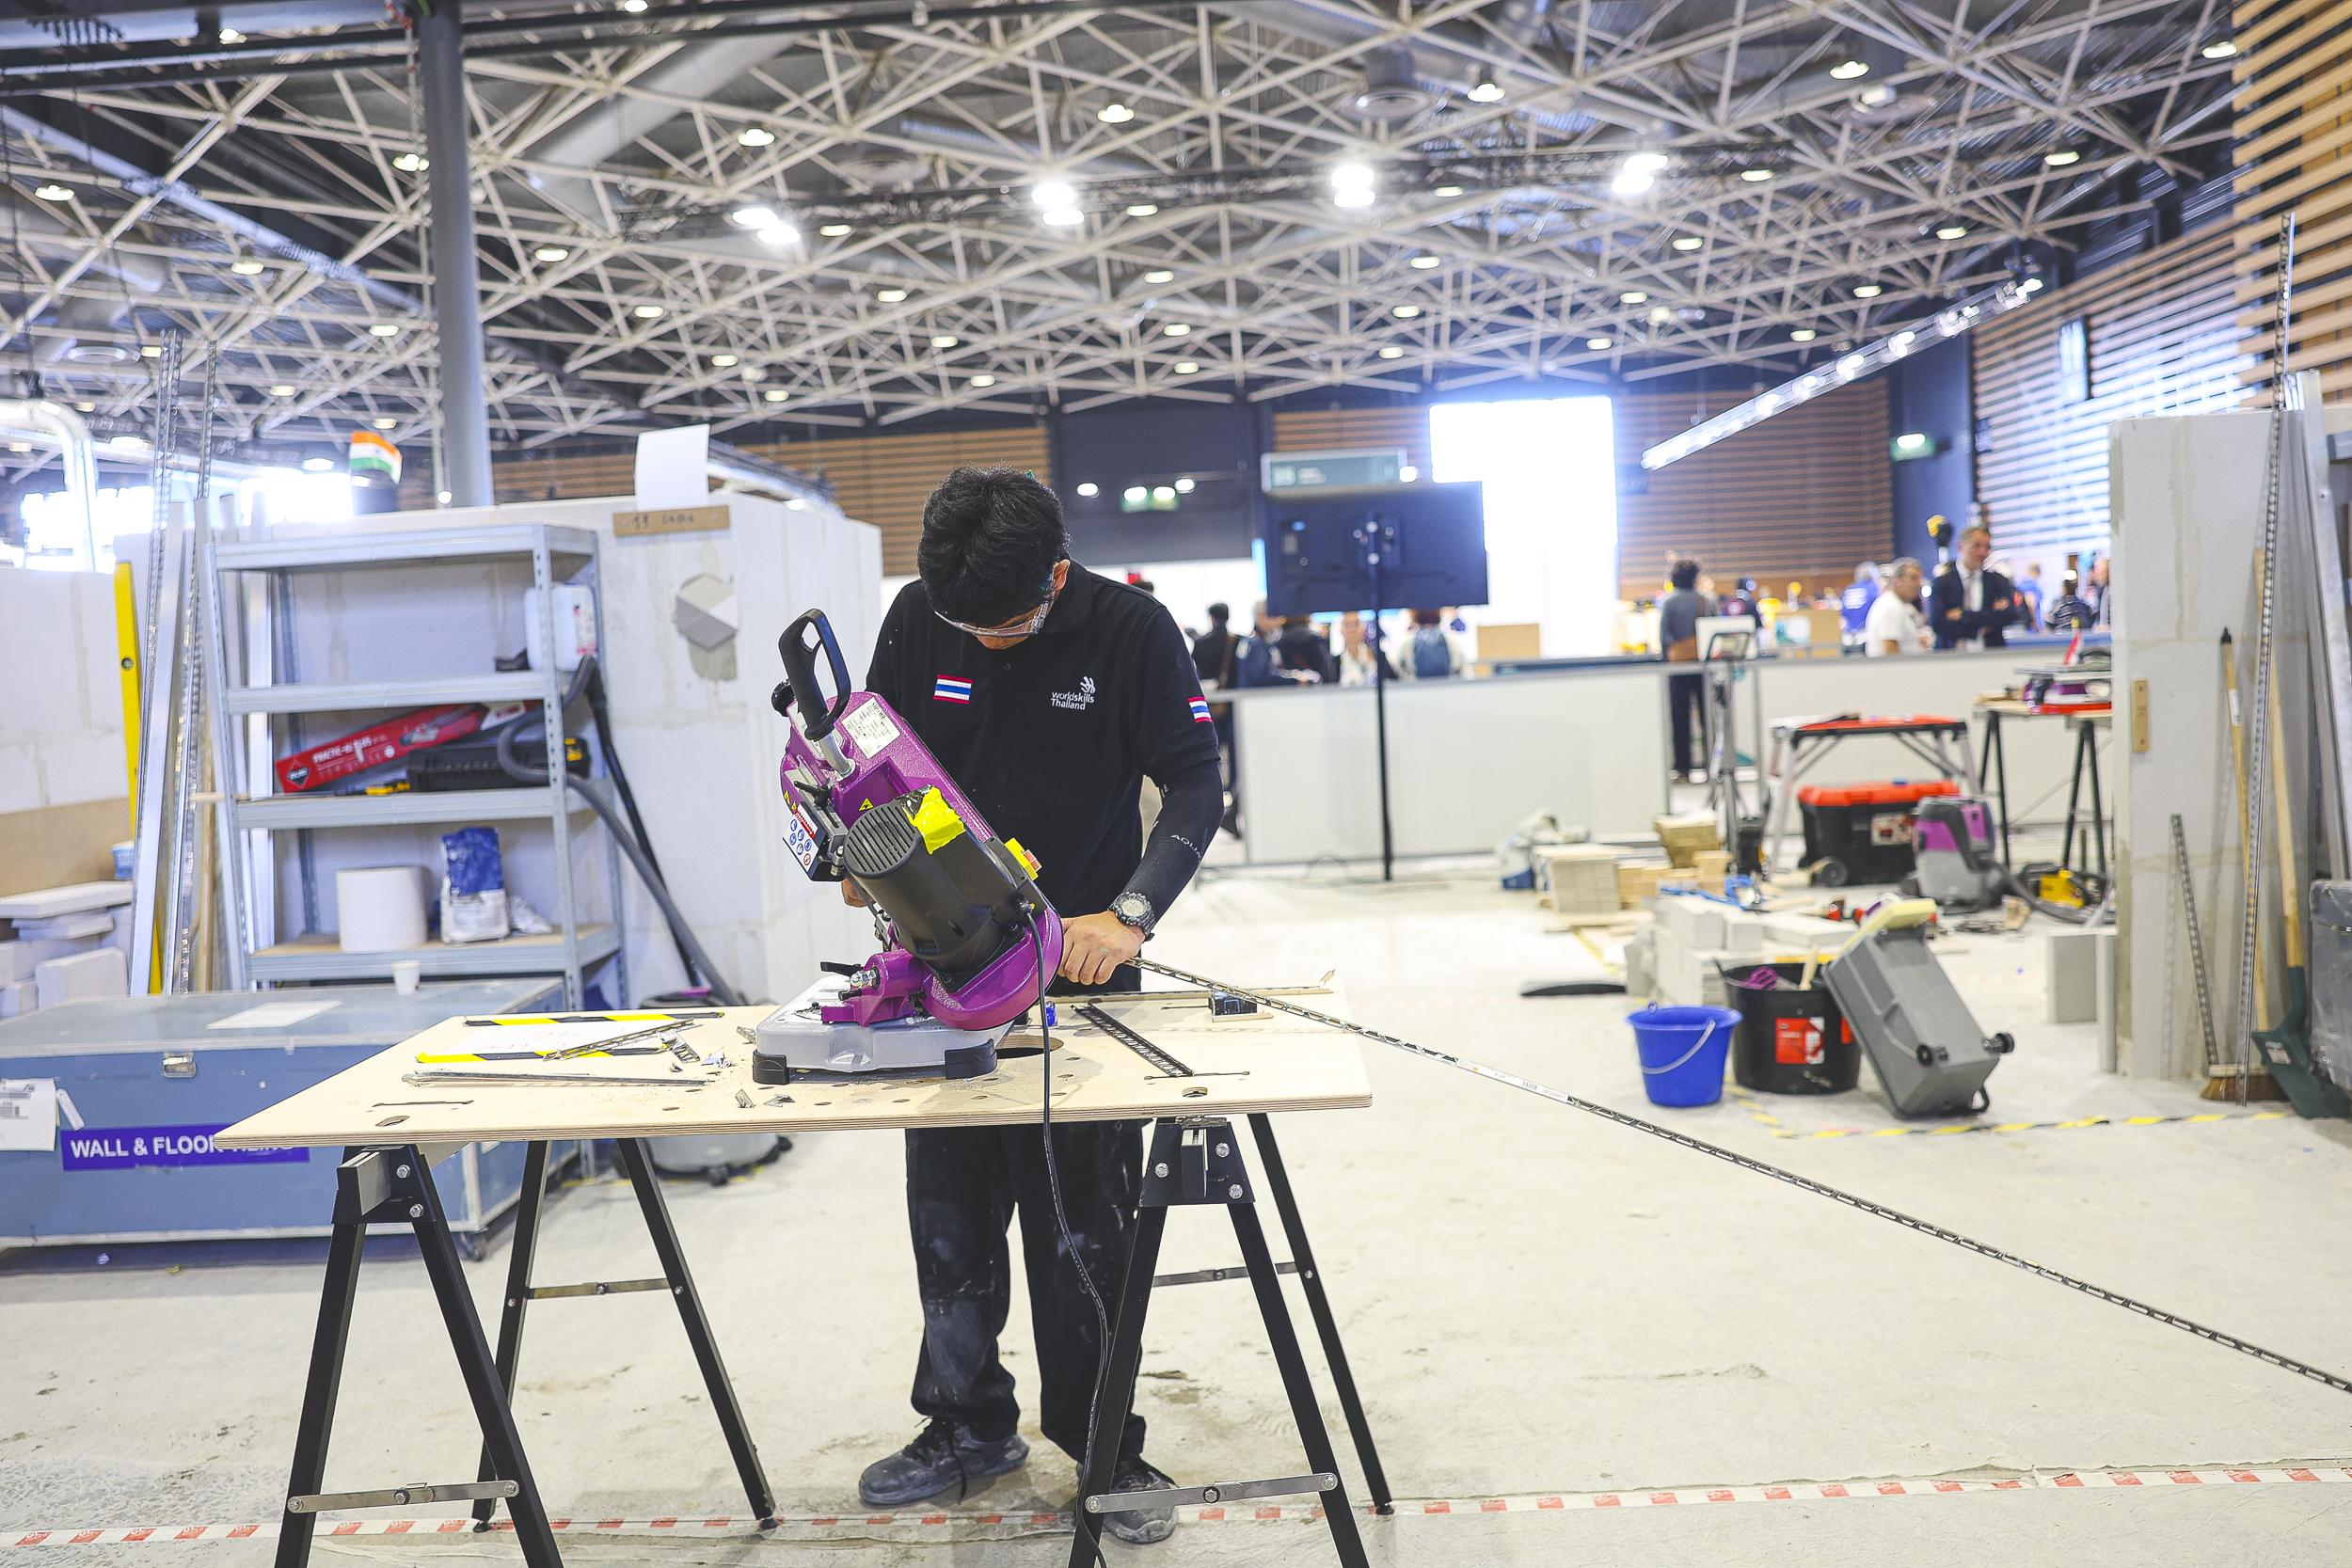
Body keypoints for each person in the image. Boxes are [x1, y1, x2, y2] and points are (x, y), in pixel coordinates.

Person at [853, 467, 1225, 1545]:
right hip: (944, 969)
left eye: (1005, 624)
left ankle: (1104, 1441)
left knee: (1082, 1233)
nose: (985, 641)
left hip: (1080, 969)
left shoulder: (1132, 632)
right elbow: (868, 758)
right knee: (950, 1217)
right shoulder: (923, 617)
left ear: (1057, 575)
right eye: (966, 624)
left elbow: (1197, 786)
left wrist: (1132, 914)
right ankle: (965, 1423)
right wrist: (858, 853)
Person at [1926, 525, 2020, 651]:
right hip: (1950, 655)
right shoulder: (1942, 583)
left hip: (1990, 654)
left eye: (1987, 547)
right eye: (1976, 546)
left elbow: (2008, 616)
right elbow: (1937, 623)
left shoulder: (1997, 581)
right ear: (1960, 546)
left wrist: (1965, 615)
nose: (1983, 552)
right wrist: (1980, 627)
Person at [1658, 559, 1709, 779]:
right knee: (1708, 718)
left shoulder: (1669, 603)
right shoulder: (1706, 601)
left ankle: (1683, 769)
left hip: (1679, 667)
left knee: (1680, 718)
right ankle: (1711, 766)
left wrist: (1666, 660)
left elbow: (1663, 637)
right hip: (1703, 666)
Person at [1865, 558, 1931, 656]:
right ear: (1896, 580)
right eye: (1913, 578)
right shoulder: (1892, 608)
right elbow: (1890, 651)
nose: (1919, 584)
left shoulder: (1896, 604)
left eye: (1920, 579)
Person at [1394, 608, 1463, 680]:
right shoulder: (1452, 642)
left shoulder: (1406, 643)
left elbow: (1397, 668)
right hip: (1448, 688)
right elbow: (1461, 669)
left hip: (1415, 689)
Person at [1274, 614, 1338, 685]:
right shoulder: (1313, 640)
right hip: (1313, 687)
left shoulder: (1277, 643)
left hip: (1289, 687)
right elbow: (1325, 668)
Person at [1838, 562, 1881, 652]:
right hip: (1867, 635)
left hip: (1848, 636)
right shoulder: (1876, 590)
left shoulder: (1848, 590)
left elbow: (1843, 615)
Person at [2014, 562, 2045, 631]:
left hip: (2021, 625)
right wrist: (2035, 623)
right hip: (2031, 627)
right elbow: (2031, 604)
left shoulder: (2020, 584)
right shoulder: (2031, 586)